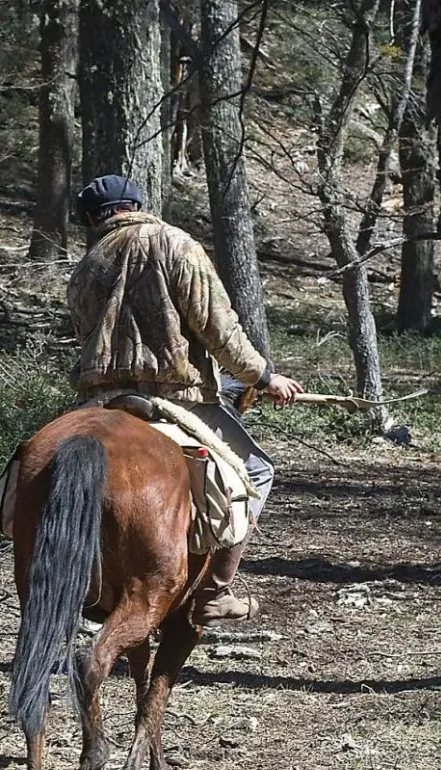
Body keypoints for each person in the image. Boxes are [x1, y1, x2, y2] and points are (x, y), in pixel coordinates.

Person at [66, 174, 304, 622]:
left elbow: (85, 338)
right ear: (136, 205)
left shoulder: (85, 268)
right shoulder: (177, 244)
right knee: (257, 469)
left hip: (99, 399)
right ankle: (215, 590)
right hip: (176, 396)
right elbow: (218, 326)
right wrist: (262, 376)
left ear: (92, 219)